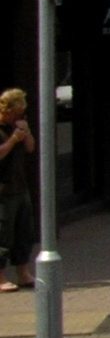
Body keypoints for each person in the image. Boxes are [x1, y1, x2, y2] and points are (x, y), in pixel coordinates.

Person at [0, 87, 37, 291]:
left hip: (20, 187)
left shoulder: (19, 126)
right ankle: (1, 277)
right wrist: (13, 140)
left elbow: (31, 148)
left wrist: (27, 132)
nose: (20, 116)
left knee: (24, 232)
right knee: (3, 233)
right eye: (17, 112)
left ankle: (23, 273)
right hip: (3, 190)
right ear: (7, 110)